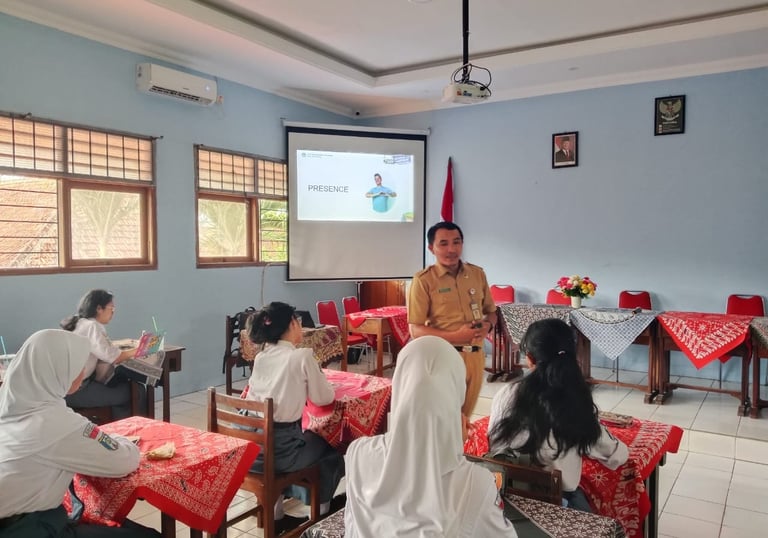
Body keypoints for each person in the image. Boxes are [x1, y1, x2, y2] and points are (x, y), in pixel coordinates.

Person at [344, 336, 515, 537]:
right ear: (457, 394)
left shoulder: (358, 453)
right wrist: (453, 445)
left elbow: (352, 528)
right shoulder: (475, 483)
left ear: (399, 386)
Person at [0, 329, 160, 537]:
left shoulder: (11, 404)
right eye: (78, 366)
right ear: (59, 371)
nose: (83, 372)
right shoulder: (54, 422)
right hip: (27, 528)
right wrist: (122, 441)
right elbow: (123, 461)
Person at [488, 318, 628, 512]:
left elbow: (494, 440)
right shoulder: (575, 401)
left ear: (530, 358)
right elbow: (616, 455)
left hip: (503, 496)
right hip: (555, 503)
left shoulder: (506, 393)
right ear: (571, 355)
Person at [244, 301, 343, 523]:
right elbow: (323, 398)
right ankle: (320, 512)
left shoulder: (261, 356)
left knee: (303, 437)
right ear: (291, 324)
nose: (300, 325)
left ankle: (276, 510)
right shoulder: (301, 356)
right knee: (331, 444)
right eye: (297, 321)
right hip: (281, 453)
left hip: (251, 450)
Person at [408, 221, 496, 417]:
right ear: (431, 248)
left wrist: (488, 325)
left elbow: (491, 312)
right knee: (444, 417)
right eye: (443, 244)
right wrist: (456, 336)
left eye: (456, 242)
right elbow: (415, 330)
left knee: (465, 417)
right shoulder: (424, 280)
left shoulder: (477, 274)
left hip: (475, 356)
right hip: (443, 357)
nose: (451, 249)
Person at [61, 289, 141, 420]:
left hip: (62, 388)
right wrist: (141, 349)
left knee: (119, 385)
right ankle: (128, 429)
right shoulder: (92, 326)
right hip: (75, 390)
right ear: (99, 308)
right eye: (111, 308)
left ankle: (112, 425)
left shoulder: (77, 322)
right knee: (135, 391)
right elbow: (114, 357)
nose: (113, 313)